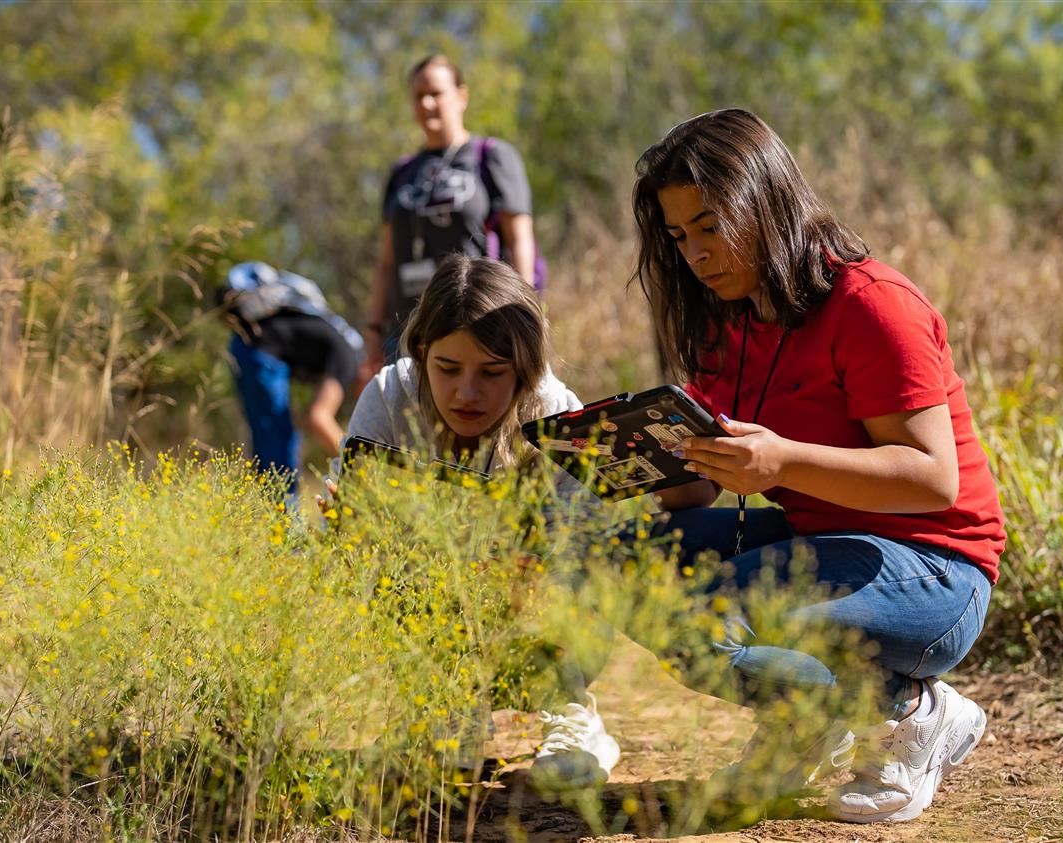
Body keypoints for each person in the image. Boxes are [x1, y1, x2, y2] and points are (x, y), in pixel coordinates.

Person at [631, 109, 1006, 823]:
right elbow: (702, 488)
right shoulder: (726, 321)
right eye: (680, 237)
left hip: (936, 568)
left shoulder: (871, 305)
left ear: (765, 201)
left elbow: (933, 478)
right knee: (623, 563)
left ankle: (909, 708)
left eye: (711, 226)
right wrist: (641, 459)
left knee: (700, 621)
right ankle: (811, 715)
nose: (696, 254)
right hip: (818, 543)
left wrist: (779, 459)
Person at [329, 254, 617, 791]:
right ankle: (444, 710)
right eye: (447, 369)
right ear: (421, 354)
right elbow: (353, 531)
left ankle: (570, 714)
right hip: (435, 598)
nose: (467, 392)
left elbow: (588, 548)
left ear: (524, 369)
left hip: (538, 606)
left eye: (491, 373)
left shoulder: (555, 411)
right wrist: (348, 523)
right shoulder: (389, 397)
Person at [364, 54, 537, 368]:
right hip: (407, 333)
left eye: (436, 93)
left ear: (461, 96)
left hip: (479, 322)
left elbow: (520, 239)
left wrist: (525, 314)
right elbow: (386, 261)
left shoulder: (491, 156)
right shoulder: (402, 172)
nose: (427, 103)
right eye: (418, 96)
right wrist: (373, 331)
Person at [216, 261, 363, 498]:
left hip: (249, 347)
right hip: (259, 352)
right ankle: (283, 524)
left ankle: (273, 517)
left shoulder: (343, 342)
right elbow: (319, 418)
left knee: (275, 441)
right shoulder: (351, 358)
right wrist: (365, 470)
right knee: (279, 446)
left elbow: (309, 416)